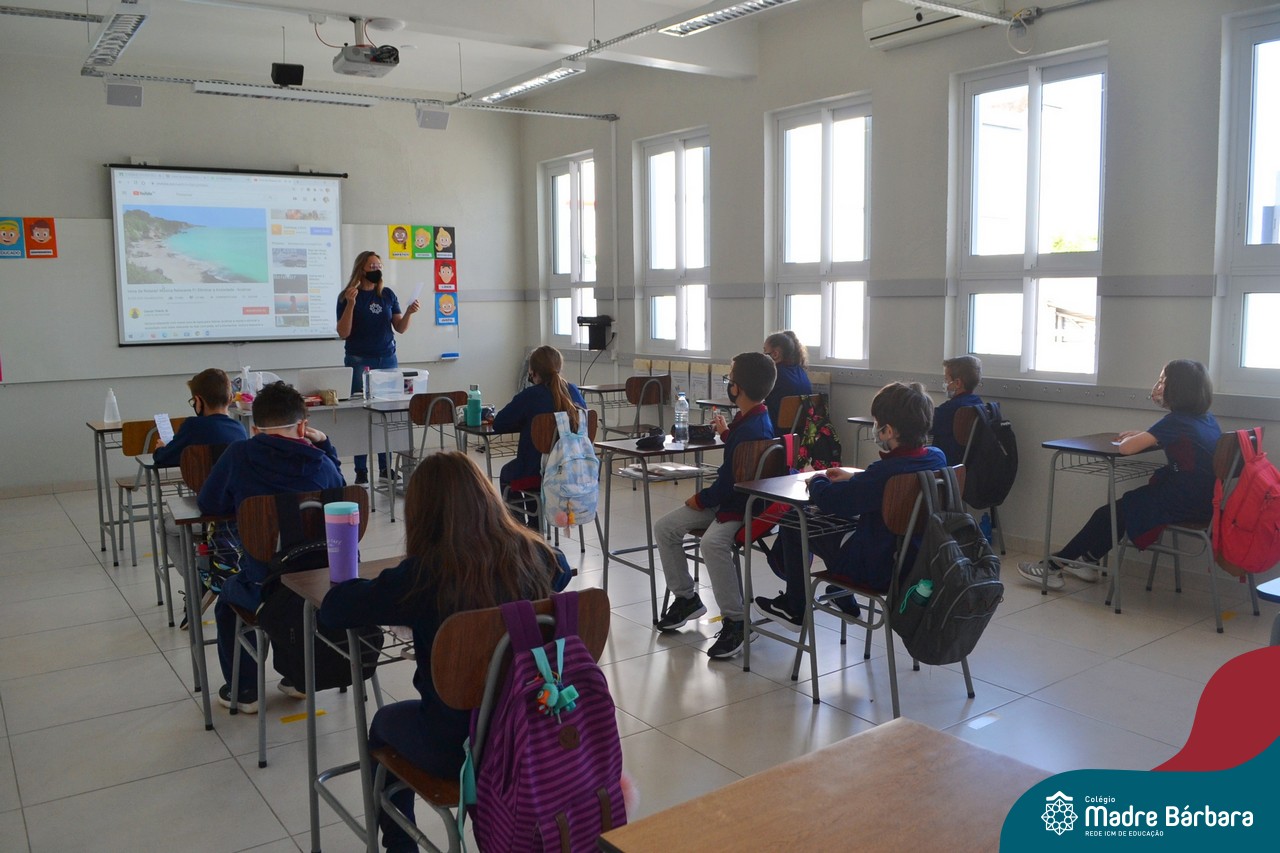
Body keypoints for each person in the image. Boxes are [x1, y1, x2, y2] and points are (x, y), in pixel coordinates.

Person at [319, 452, 569, 853]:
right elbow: (563, 569)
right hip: (536, 728)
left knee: (383, 723)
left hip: (458, 748)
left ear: (422, 515)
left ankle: (400, 847)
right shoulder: (533, 554)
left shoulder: (421, 577)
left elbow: (335, 610)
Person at [198, 381, 345, 712]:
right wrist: (326, 445)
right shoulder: (322, 463)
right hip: (322, 582)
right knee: (292, 601)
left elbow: (209, 503)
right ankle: (298, 677)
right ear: (303, 427)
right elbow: (341, 494)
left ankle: (244, 690)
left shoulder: (238, 454)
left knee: (229, 600)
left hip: (263, 582)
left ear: (253, 428)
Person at [753, 382, 947, 631]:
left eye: (877, 423)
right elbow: (883, 485)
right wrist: (856, 477)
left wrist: (817, 479)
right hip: (915, 561)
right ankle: (842, 596)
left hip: (875, 568)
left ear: (888, 431)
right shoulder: (937, 458)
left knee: (795, 522)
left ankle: (794, 607)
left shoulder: (883, 473)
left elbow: (833, 501)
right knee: (848, 524)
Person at [1018, 359, 1220, 590]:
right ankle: (1088, 559)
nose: (1158, 386)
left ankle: (1053, 567)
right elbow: (1184, 444)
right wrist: (1146, 435)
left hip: (1183, 500)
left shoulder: (1176, 421)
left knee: (1109, 514)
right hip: (1203, 500)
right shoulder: (1206, 419)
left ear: (1178, 388)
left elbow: (1126, 449)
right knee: (1121, 511)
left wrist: (1139, 438)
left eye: (1163, 381)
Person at [654, 352, 776, 659]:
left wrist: (701, 499)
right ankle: (687, 599)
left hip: (740, 505)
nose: (728, 384)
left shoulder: (750, 429)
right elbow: (739, 461)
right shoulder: (755, 418)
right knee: (665, 528)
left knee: (712, 543)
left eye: (730, 380)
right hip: (734, 498)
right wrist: (726, 433)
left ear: (738, 388)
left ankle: (737, 621)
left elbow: (729, 483)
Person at [154, 368, 249, 592]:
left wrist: (161, 448)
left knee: (164, 525)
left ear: (198, 401)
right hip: (238, 516)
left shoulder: (192, 427)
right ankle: (204, 573)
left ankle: (196, 581)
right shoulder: (240, 429)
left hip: (206, 514)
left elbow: (163, 458)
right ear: (230, 398)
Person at [336, 250, 421, 484]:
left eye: (379, 266)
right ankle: (361, 470)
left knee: (387, 414)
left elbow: (400, 328)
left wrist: (409, 313)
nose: (377, 270)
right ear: (361, 269)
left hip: (387, 360)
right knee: (361, 415)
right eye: (372, 266)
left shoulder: (387, 294)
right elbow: (343, 332)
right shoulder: (347, 296)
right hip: (359, 361)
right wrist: (351, 304)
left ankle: (385, 468)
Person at [491, 346, 587, 508]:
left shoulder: (530, 395)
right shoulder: (573, 391)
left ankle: (521, 523)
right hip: (574, 469)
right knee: (529, 469)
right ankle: (536, 520)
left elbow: (499, 424)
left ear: (533, 373)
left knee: (508, 473)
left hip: (539, 471)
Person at [930, 356, 983, 465]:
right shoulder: (978, 403)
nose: (945, 384)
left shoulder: (951, 409)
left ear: (957, 383)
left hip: (945, 463)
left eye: (947, 380)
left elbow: (923, 424)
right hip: (967, 463)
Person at [762, 330, 812, 432]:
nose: (763, 355)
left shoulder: (774, 373)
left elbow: (754, 398)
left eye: (765, 351)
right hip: (798, 432)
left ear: (775, 354)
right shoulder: (801, 371)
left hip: (775, 431)